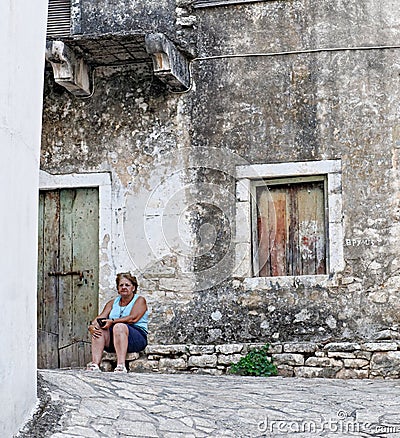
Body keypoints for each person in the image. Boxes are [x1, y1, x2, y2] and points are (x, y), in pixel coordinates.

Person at [86, 272, 148, 373]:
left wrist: (113, 321)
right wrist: (92, 327)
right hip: (115, 338)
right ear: (118, 289)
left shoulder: (140, 300)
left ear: (133, 287)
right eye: (121, 285)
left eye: (127, 285)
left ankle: (121, 365)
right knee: (98, 329)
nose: (124, 287)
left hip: (136, 338)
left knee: (119, 327)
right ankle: (95, 364)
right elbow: (100, 318)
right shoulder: (112, 303)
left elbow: (133, 318)